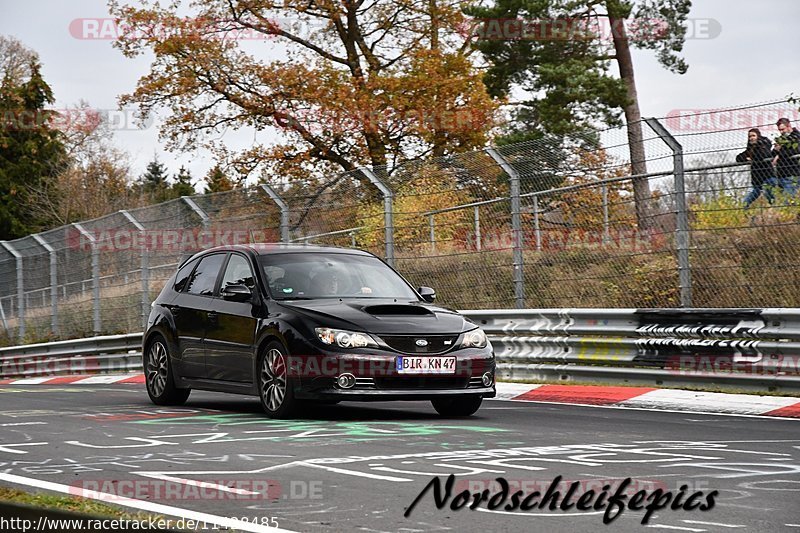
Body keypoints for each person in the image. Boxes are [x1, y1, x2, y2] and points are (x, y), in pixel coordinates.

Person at [737, 128, 777, 207]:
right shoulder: (750, 148)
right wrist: (746, 158)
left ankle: (776, 210)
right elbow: (738, 158)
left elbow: (763, 155)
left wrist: (752, 157)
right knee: (747, 201)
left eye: (753, 135)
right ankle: (742, 211)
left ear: (758, 136)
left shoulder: (764, 144)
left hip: (768, 176)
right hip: (757, 179)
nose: (751, 138)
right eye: (750, 136)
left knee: (770, 197)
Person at [772, 117, 800, 197]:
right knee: (785, 200)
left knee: (787, 200)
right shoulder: (781, 139)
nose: (781, 132)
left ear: (789, 126)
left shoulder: (796, 136)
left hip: (792, 173)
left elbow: (796, 150)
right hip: (781, 174)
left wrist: (779, 154)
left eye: (783, 129)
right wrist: (776, 150)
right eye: (779, 130)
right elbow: (773, 154)